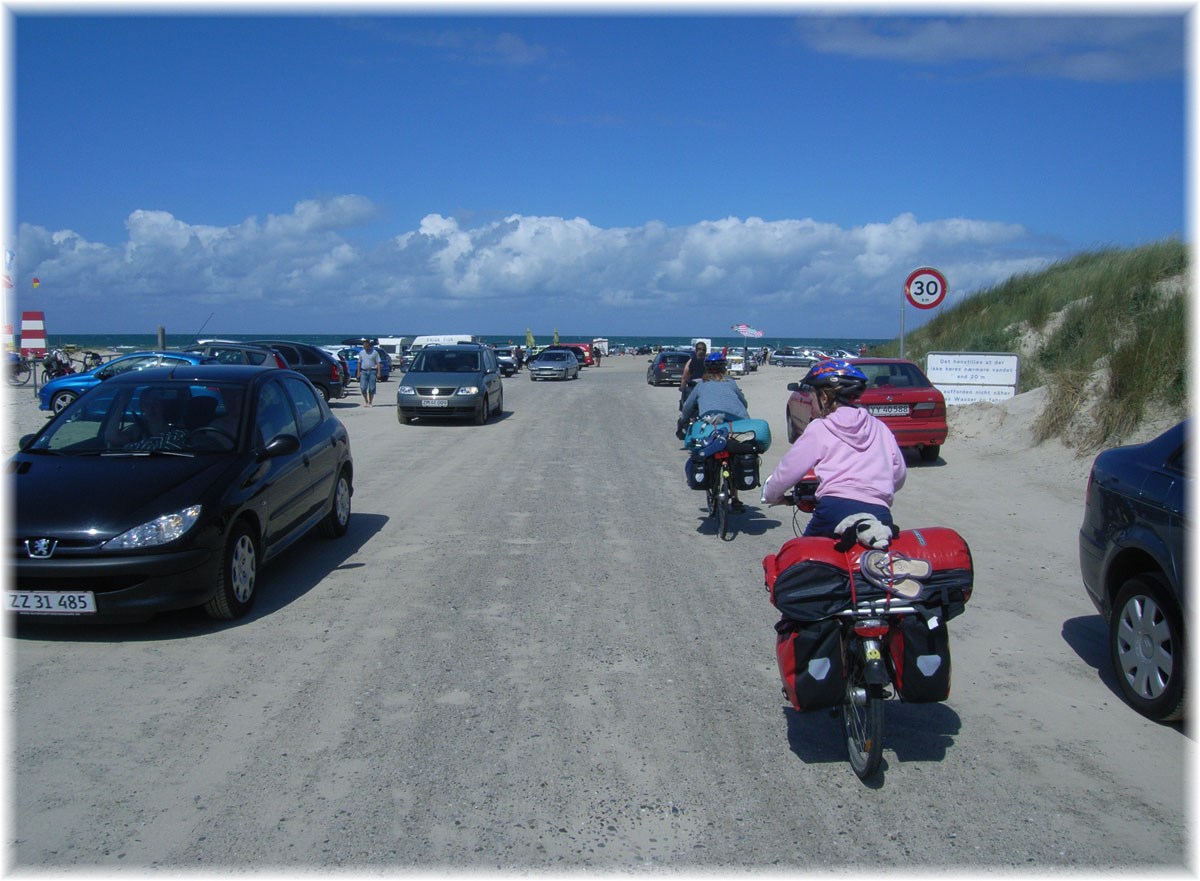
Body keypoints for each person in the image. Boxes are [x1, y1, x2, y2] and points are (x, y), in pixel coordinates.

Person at [762, 359, 906, 537]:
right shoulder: (879, 427)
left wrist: (772, 495)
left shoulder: (820, 428)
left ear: (824, 397)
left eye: (813, 396)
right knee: (874, 561)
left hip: (834, 509)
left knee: (805, 559)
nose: (811, 401)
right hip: (879, 512)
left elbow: (788, 470)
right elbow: (898, 474)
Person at [677, 352, 751, 512]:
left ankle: (711, 484)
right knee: (733, 455)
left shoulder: (701, 385)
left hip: (711, 424)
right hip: (735, 423)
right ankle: (736, 498)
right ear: (724, 367)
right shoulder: (731, 383)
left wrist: (683, 420)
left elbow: (688, 407)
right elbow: (743, 402)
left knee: (707, 450)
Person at [106, 386, 190, 452]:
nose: (150, 408)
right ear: (142, 408)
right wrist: (121, 405)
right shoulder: (137, 429)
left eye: (155, 404)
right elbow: (113, 438)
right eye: (146, 404)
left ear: (164, 406)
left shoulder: (178, 432)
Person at [678, 340, 708, 409]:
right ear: (705, 351)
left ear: (696, 350)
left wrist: (682, 387)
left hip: (693, 386)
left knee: (686, 405)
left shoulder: (691, 361)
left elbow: (684, 377)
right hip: (706, 385)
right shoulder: (708, 361)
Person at [357, 339, 382, 407]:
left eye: (366, 345)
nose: (365, 346)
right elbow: (359, 363)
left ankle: (370, 402)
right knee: (363, 387)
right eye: (364, 345)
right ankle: (366, 401)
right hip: (364, 371)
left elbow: (378, 363)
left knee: (372, 388)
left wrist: (379, 373)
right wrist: (358, 372)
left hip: (372, 371)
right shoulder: (361, 353)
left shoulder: (375, 352)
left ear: (369, 345)